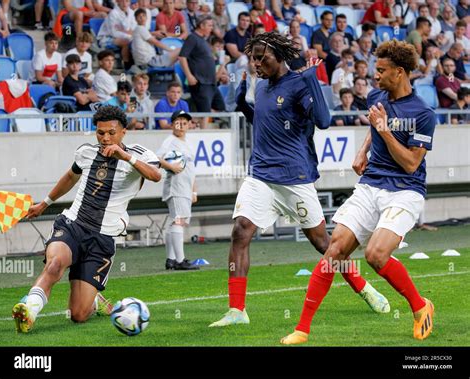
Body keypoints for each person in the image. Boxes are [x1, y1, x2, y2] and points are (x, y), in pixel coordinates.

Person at [209, 32, 389, 328]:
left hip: (295, 177)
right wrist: (242, 102)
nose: (255, 63)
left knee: (324, 244)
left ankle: (364, 288)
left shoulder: (299, 83)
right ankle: (237, 310)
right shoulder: (262, 85)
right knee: (240, 231)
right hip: (261, 175)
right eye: (252, 58)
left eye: (261, 58)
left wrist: (312, 79)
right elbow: (265, 120)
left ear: (279, 56)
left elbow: (324, 121)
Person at [281, 40, 436, 345]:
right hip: (370, 185)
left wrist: (384, 130)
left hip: (405, 190)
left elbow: (409, 163)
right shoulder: (377, 96)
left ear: (400, 73)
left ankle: (420, 306)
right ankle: (302, 329)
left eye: (382, 71)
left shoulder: (424, 114)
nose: (375, 76)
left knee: (376, 255)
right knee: (334, 251)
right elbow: (373, 127)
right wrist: (362, 151)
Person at [12, 105, 162, 333]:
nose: (105, 138)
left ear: (123, 132)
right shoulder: (86, 152)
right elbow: (71, 176)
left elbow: (155, 175)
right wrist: (45, 203)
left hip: (102, 239)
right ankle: (29, 310)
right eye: (100, 132)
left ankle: (94, 301)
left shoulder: (140, 155)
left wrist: (125, 156)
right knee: (54, 264)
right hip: (73, 225)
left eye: (111, 132)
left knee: (79, 315)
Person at [157, 110, 199, 270]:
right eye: (178, 121)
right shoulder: (170, 141)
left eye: (185, 121)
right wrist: (171, 166)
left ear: (189, 125)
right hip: (176, 187)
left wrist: (193, 190)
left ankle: (171, 259)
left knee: (174, 222)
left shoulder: (188, 142)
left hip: (185, 188)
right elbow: (157, 158)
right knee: (178, 221)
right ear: (173, 123)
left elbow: (192, 169)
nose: (181, 125)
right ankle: (180, 261)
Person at [179, 15, 226, 126]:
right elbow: (182, 57)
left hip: (211, 83)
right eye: (209, 25)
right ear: (201, 25)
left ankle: (194, 122)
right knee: (205, 113)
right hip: (201, 83)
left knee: (220, 107)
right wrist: (189, 76)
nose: (211, 28)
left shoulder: (204, 41)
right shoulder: (192, 38)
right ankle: (203, 132)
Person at [97, 0, 137, 70]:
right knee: (126, 42)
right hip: (107, 37)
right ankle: (126, 65)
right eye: (122, 1)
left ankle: (136, 63)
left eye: (127, 1)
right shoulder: (113, 13)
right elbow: (114, 32)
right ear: (118, 2)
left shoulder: (131, 13)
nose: (124, 4)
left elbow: (133, 28)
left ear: (129, 2)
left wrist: (130, 34)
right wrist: (129, 35)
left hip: (125, 36)